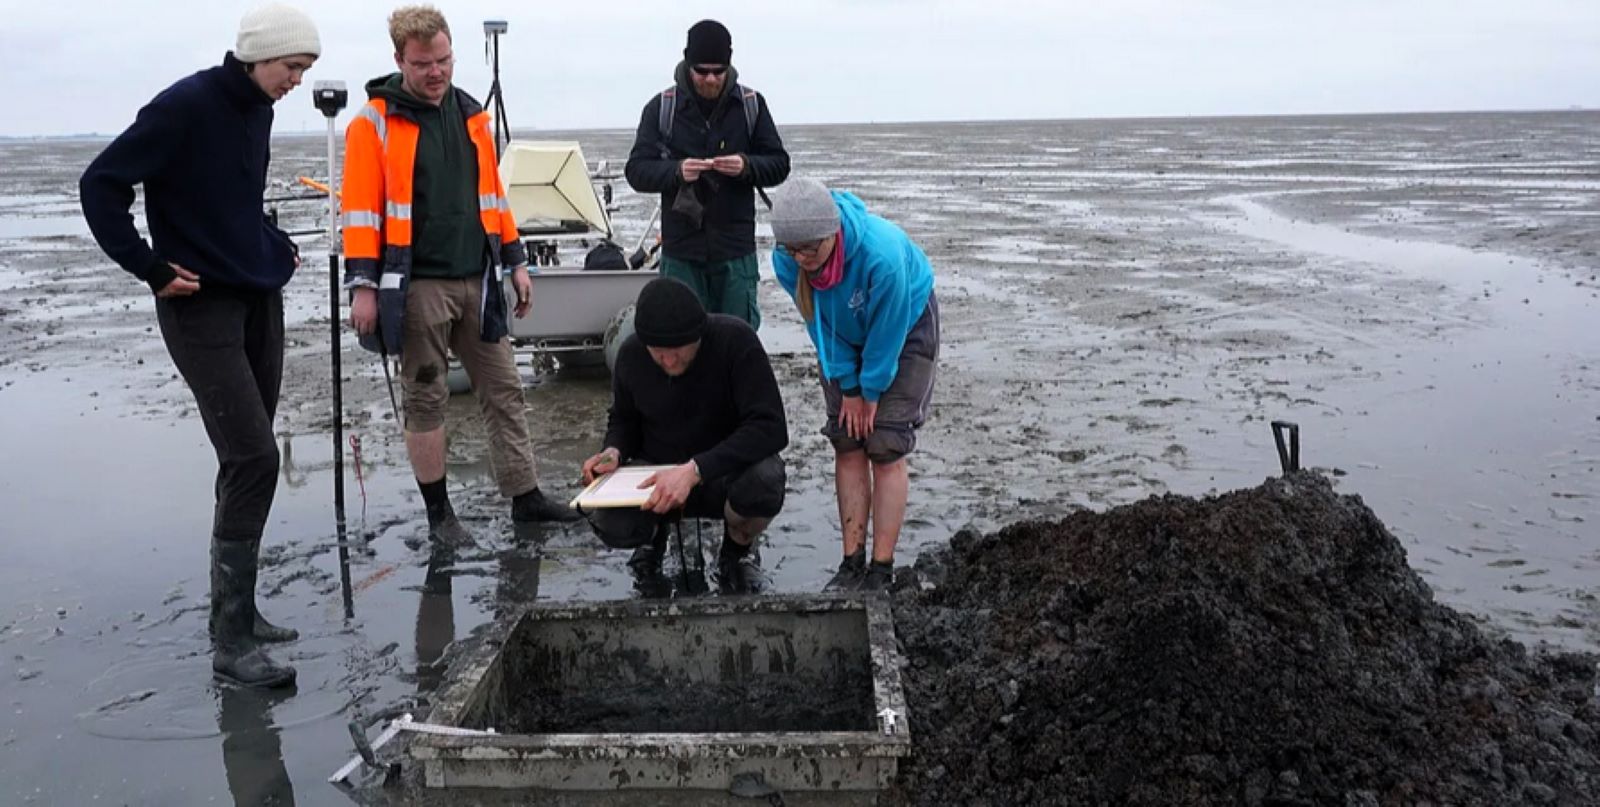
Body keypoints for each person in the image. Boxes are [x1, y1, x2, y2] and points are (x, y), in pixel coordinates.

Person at [79, 3, 322, 688]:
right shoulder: (183, 105)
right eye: (291, 68)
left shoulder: (259, 109)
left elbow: (236, 200)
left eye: (305, 71)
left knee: (244, 455)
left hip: (256, 295)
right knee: (254, 457)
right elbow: (100, 184)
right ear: (256, 55)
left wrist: (272, 245)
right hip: (197, 304)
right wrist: (149, 266)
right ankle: (230, 644)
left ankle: (238, 610)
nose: (297, 82)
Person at [343, 5, 577, 546]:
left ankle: (526, 498)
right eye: (424, 63)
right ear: (400, 59)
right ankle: (439, 516)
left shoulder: (473, 114)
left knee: (505, 389)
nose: (436, 72)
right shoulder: (372, 122)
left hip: (480, 279)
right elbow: (360, 212)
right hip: (416, 285)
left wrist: (517, 262)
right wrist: (363, 289)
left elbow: (494, 197)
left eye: (444, 60)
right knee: (426, 398)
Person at [769, 179, 940, 592]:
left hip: (906, 327)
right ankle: (851, 563)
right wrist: (848, 386)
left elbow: (888, 332)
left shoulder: (881, 256)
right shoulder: (787, 261)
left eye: (811, 249)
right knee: (847, 440)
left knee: (884, 446)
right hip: (839, 337)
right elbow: (818, 323)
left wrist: (871, 391)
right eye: (794, 250)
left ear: (832, 234)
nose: (803, 258)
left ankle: (881, 569)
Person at [579, 278, 788, 596]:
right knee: (612, 521)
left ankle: (737, 550)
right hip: (656, 474)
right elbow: (624, 419)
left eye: (677, 350)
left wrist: (695, 470)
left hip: (723, 473)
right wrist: (614, 452)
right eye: (658, 353)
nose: (669, 361)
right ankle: (651, 539)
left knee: (765, 480)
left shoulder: (735, 341)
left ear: (699, 336)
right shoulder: (632, 355)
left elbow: (770, 427)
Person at [624, 19, 790, 330]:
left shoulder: (751, 105)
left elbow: (779, 163)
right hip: (681, 252)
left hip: (735, 251)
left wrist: (746, 166)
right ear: (688, 64)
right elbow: (636, 171)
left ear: (729, 65)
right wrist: (676, 171)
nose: (711, 79)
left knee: (737, 339)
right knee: (680, 337)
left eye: (719, 71)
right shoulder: (661, 108)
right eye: (702, 71)